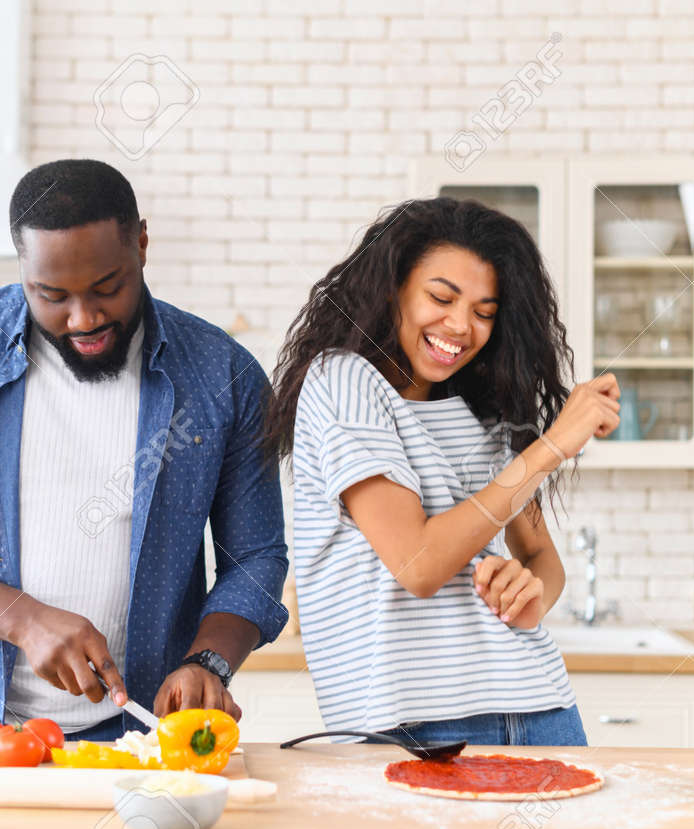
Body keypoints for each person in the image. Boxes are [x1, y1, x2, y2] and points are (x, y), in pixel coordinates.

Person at [0, 159, 288, 741]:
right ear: (22, 267)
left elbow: (256, 559)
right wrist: (23, 620)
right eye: (51, 295)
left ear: (143, 245)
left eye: (108, 288)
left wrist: (208, 661)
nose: (84, 318)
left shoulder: (220, 373)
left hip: (139, 734)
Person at [265, 197, 621, 746]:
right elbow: (418, 564)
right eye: (441, 297)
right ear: (394, 287)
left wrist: (531, 598)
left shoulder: (487, 409)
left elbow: (541, 557)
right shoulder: (344, 382)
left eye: (484, 311)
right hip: (410, 723)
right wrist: (552, 446)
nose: (460, 326)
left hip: (539, 707)